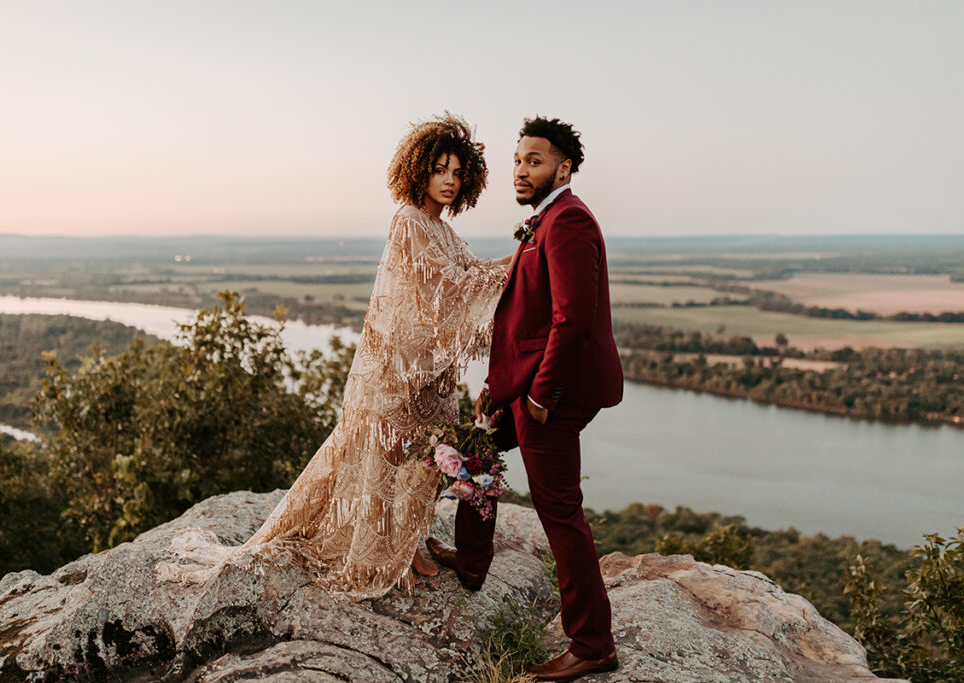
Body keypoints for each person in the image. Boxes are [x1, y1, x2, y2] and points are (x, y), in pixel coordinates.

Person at [159, 113, 512, 599]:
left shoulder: (444, 231)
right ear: (420, 172)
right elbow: (445, 288)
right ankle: (384, 552)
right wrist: (514, 264)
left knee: (420, 462)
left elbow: (472, 274)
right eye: (439, 170)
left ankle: (405, 541)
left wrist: (517, 258)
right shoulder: (409, 221)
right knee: (387, 460)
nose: (449, 181)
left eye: (457, 172)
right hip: (396, 372)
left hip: (429, 373)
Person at [426, 116, 623, 681]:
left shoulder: (569, 222)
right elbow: (530, 319)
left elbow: (572, 320)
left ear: (562, 168)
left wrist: (540, 396)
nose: (520, 169)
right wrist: (498, 387)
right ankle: (472, 558)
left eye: (533, 161)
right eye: (518, 160)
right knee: (474, 446)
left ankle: (592, 643)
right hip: (525, 379)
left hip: (553, 394)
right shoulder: (543, 220)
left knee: (559, 512)